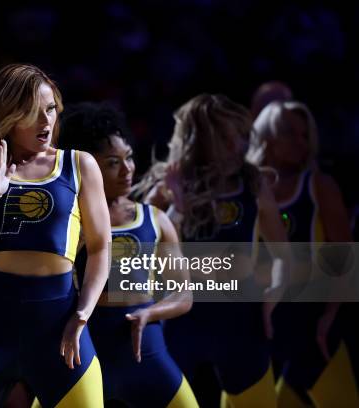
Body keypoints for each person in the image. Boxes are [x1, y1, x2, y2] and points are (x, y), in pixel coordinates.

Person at [0, 64, 109, 407]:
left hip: (61, 327)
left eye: (50, 109)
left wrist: (83, 313)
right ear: (9, 115)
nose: (46, 122)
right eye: (33, 112)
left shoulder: (79, 164)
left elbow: (102, 248)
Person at [135, 94, 289, 407]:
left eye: (243, 137)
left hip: (241, 320)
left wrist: (273, 297)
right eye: (227, 139)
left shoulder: (253, 182)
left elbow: (283, 254)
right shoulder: (170, 183)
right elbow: (130, 248)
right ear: (200, 140)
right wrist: (174, 202)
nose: (239, 148)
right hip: (182, 321)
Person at [58, 102, 198, 407]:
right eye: (112, 163)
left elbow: (183, 293)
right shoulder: (69, 221)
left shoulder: (154, 219)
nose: (127, 169)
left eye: (129, 158)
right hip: (82, 358)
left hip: (148, 355)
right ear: (87, 166)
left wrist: (151, 312)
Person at [250, 100, 358, 407]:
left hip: (312, 323)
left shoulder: (319, 186)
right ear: (267, 139)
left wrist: (330, 316)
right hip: (265, 324)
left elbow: (345, 260)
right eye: (291, 134)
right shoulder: (246, 190)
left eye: (305, 135)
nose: (302, 142)